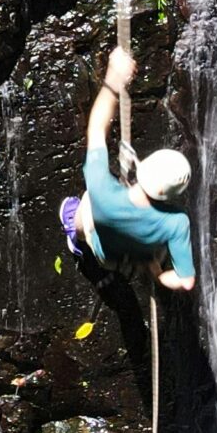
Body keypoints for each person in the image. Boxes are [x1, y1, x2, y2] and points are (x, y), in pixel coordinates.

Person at [59, 45, 196, 292]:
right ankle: (141, 260)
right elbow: (186, 282)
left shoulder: (103, 192)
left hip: (104, 252)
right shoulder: (177, 223)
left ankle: (75, 235)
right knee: (164, 245)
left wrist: (113, 80)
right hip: (138, 255)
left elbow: (97, 130)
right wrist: (158, 275)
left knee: (86, 202)